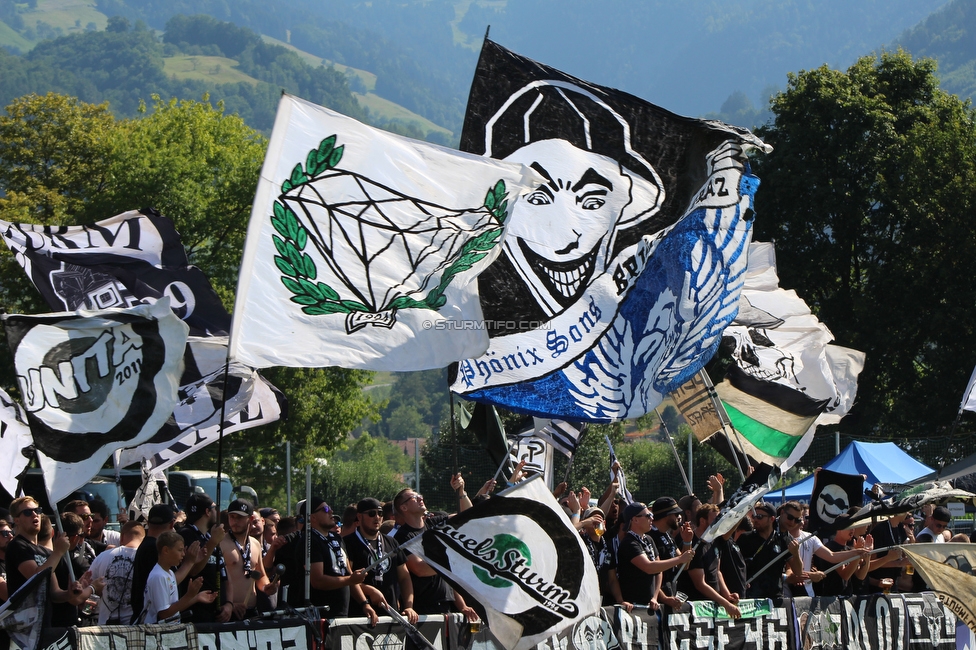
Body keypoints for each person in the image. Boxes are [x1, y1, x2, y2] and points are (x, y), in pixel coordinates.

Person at [6, 497, 96, 626]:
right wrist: (58, 552)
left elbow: (55, 594)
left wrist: (70, 593)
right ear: (17, 520)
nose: (34, 514)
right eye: (27, 512)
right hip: (23, 626)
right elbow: (35, 578)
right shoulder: (17, 545)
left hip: (44, 623)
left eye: (37, 510)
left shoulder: (46, 552)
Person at [286, 497, 375, 623]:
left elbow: (348, 573)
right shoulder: (309, 541)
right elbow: (318, 580)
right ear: (312, 517)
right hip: (320, 616)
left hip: (342, 614)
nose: (331, 511)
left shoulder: (336, 538)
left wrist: (364, 603)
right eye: (325, 509)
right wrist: (350, 579)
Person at [392, 488, 477, 620]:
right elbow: (421, 570)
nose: (420, 498)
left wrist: (461, 491)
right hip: (423, 608)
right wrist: (452, 555)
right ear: (404, 507)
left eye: (419, 495)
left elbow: (468, 517)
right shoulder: (403, 537)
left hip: (446, 604)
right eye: (414, 497)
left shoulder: (434, 524)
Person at [344, 497, 417, 623]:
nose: (377, 517)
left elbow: (404, 577)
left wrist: (409, 607)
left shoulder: (391, 542)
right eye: (372, 514)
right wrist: (369, 590)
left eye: (380, 513)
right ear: (360, 517)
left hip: (391, 615)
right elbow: (346, 578)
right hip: (361, 616)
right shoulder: (347, 543)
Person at [130, 504, 205, 623]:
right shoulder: (153, 551)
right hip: (152, 628)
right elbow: (164, 611)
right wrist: (189, 562)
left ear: (148, 523)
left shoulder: (148, 547)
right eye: (179, 550)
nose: (182, 554)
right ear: (172, 524)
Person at [615, 502, 694, 611]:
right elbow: (649, 567)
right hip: (634, 606)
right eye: (648, 515)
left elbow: (658, 571)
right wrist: (680, 559)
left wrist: (656, 597)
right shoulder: (629, 543)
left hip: (650, 605)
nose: (652, 518)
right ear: (635, 519)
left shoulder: (648, 539)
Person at [676, 504, 741, 618]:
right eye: (716, 519)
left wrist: (727, 595)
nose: (719, 523)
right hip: (697, 609)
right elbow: (700, 584)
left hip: (713, 606)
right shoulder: (694, 546)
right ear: (702, 521)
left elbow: (717, 571)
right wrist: (725, 604)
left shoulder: (714, 541)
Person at [141, 530, 216, 624]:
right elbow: (164, 614)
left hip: (170, 630)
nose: (183, 554)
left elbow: (174, 608)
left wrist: (196, 597)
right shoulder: (158, 576)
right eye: (180, 550)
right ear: (166, 550)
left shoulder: (170, 573)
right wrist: (189, 595)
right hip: (160, 633)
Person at [220, 499, 277, 620]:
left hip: (251, 610)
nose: (235, 521)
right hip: (229, 612)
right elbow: (215, 581)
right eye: (232, 517)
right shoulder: (221, 543)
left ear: (250, 519)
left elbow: (260, 575)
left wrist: (267, 586)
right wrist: (230, 604)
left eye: (239, 517)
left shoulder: (255, 543)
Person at [179, 493, 230, 623]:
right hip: (196, 614)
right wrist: (213, 542)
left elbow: (225, 575)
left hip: (217, 613)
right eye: (214, 508)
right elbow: (193, 571)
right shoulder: (186, 535)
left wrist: (229, 603)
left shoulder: (208, 536)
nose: (216, 512)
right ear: (207, 511)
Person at [737, 502, 801, 601]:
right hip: (750, 596)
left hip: (775, 597)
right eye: (754, 516)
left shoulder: (784, 540)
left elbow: (798, 572)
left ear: (771, 519)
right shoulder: (745, 538)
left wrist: (796, 554)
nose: (756, 519)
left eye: (760, 516)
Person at [89, 521, 144, 625]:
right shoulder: (146, 559)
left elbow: (88, 586)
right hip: (135, 627)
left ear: (122, 537)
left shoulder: (102, 557)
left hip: (106, 627)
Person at [647, 496, 693, 606]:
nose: (679, 517)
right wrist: (664, 598)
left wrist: (687, 542)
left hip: (670, 593)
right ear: (665, 516)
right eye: (676, 514)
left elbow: (683, 565)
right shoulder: (650, 537)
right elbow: (650, 573)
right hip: (656, 600)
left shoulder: (667, 535)